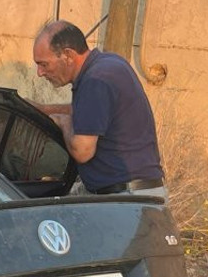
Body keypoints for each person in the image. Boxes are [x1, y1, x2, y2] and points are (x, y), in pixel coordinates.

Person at [32, 20, 166, 199]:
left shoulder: (95, 80)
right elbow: (90, 112)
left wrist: (64, 122)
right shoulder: (108, 64)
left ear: (68, 55)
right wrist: (45, 110)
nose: (40, 73)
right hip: (137, 193)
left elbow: (83, 151)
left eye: (44, 64)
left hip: (126, 198)